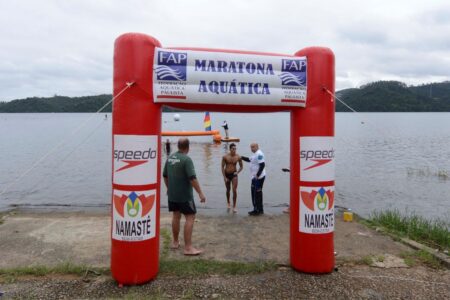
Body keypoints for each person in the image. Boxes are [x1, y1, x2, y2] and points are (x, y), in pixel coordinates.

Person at [163, 138, 206, 255]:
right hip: (185, 196)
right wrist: (200, 193)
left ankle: (175, 242)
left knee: (176, 216)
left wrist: (169, 188)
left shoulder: (170, 158)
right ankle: (188, 248)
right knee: (190, 217)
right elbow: (192, 178)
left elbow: (165, 176)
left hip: (172, 195)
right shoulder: (186, 160)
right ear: (188, 147)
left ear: (178, 146)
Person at [241, 143, 266, 216]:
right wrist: (241, 157)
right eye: (251, 147)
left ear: (257, 147)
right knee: (257, 193)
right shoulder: (254, 154)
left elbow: (262, 165)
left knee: (256, 193)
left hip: (258, 178)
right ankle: (260, 209)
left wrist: (257, 175)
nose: (252, 148)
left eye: (253, 147)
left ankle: (257, 210)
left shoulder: (259, 154)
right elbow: (249, 160)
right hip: (255, 177)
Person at [221, 143, 243, 213]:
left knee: (234, 190)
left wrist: (238, 172)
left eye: (235, 149)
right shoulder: (225, 157)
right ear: (230, 149)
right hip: (227, 174)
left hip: (234, 175)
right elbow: (222, 167)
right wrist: (224, 177)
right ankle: (228, 203)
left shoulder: (238, 157)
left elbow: (241, 166)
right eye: (233, 149)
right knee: (228, 189)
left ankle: (234, 206)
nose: (234, 150)